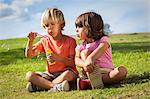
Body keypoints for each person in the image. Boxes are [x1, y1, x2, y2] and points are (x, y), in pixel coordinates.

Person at [25, 8, 78, 92]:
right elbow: (29, 55)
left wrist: (58, 58)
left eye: (52, 24)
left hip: (65, 72)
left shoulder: (70, 41)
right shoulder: (45, 40)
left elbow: (73, 63)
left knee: (68, 74)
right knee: (29, 75)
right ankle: (55, 86)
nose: (49, 28)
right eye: (46, 25)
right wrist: (30, 41)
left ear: (61, 24)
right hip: (50, 74)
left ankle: (42, 86)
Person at [75, 12, 128, 90]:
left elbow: (101, 49)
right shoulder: (81, 46)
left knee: (122, 71)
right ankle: (93, 80)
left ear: (89, 27)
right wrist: (85, 64)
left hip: (106, 72)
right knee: (84, 52)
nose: (76, 30)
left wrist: (90, 59)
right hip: (89, 72)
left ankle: (90, 83)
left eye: (79, 27)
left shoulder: (103, 40)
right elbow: (76, 59)